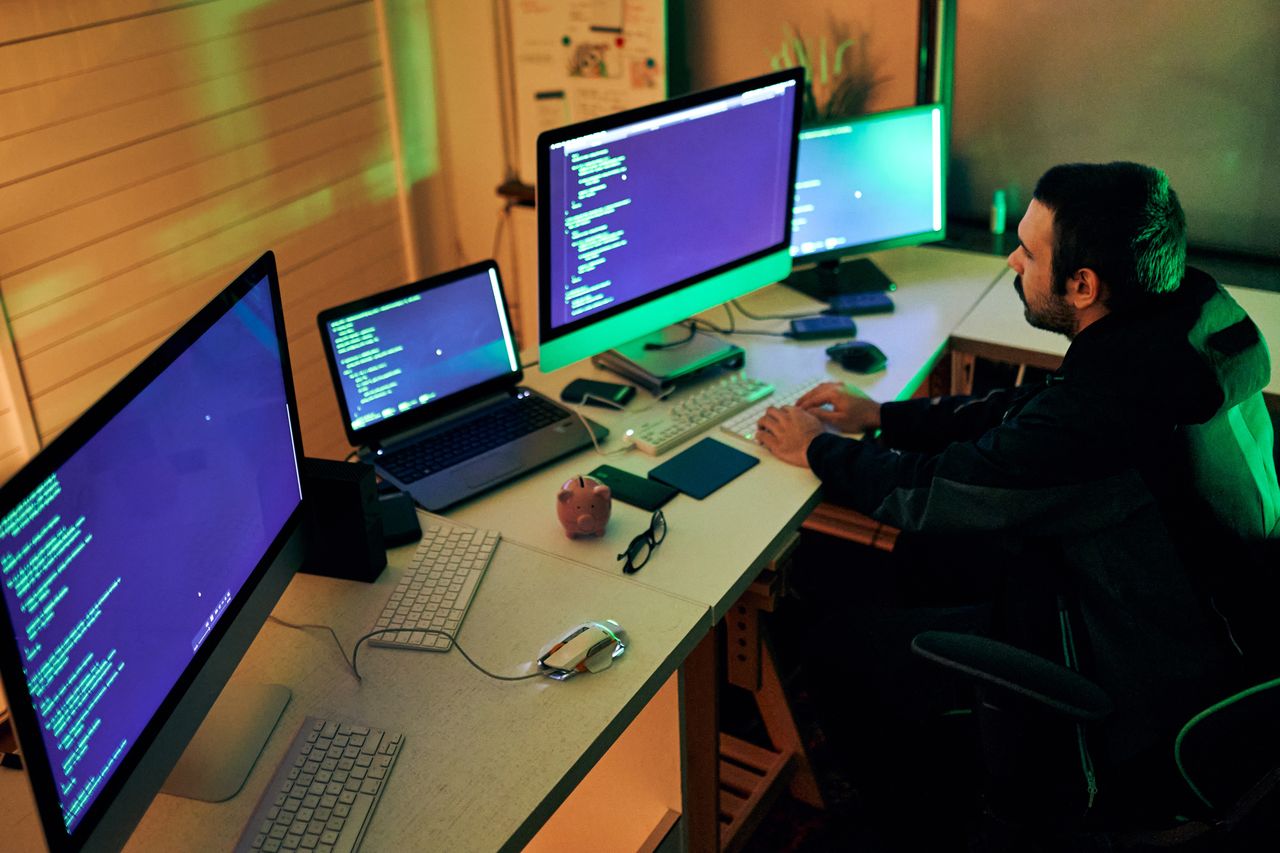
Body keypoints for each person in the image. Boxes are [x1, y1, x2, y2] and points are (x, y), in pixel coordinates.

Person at [755, 162, 1279, 836]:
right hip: (1196, 619)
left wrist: (816, 448)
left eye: (1030, 252)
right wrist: (885, 416)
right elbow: (1036, 410)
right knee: (923, 560)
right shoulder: (1188, 320)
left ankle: (903, 826)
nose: (1011, 256)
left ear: (1083, 286)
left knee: (837, 647)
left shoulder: (1108, 417)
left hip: (1138, 689)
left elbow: (935, 490)